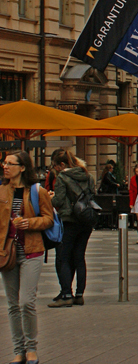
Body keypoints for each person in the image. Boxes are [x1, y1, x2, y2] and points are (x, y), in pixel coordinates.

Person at [1, 151, 54, 364]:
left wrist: (29, 223)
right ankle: (18, 351)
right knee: (13, 305)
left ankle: (31, 348)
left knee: (26, 302)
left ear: (22, 167)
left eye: (10, 164)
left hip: (31, 250)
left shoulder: (37, 191)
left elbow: (48, 219)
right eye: (4, 163)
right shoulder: (2, 191)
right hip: (7, 254)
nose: (5, 166)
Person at [48, 148, 95, 308]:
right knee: (79, 256)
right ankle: (79, 294)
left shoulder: (63, 177)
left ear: (61, 165)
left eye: (54, 166)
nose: (54, 169)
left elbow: (59, 201)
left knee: (63, 257)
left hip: (69, 220)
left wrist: (50, 198)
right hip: (86, 220)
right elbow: (93, 194)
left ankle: (67, 294)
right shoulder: (87, 175)